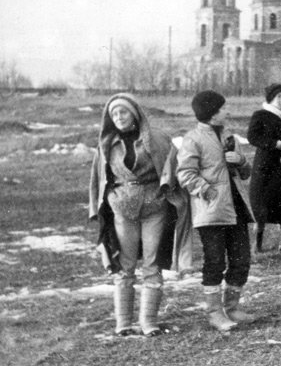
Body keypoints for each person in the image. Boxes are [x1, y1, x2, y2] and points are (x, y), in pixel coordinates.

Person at [89, 93, 190, 337]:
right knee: (124, 265)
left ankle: (148, 322)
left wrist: (167, 190)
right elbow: (98, 179)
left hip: (154, 208)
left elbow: (171, 168)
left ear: (133, 112)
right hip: (122, 211)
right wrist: (108, 202)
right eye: (114, 114)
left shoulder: (157, 139)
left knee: (152, 264)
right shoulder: (106, 144)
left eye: (123, 112)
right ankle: (123, 322)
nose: (119, 117)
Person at [177, 90, 256, 332]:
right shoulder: (193, 139)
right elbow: (185, 174)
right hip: (210, 211)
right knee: (215, 262)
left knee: (241, 259)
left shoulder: (230, 137)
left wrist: (240, 162)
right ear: (212, 114)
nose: (228, 111)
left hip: (235, 208)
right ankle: (215, 313)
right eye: (223, 108)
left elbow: (246, 172)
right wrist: (207, 190)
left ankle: (232, 307)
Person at [247, 84, 281, 253]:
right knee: (261, 201)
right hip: (264, 164)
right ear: (271, 99)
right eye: (279, 97)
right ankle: (258, 242)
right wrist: (275, 144)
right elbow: (252, 137)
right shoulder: (260, 115)